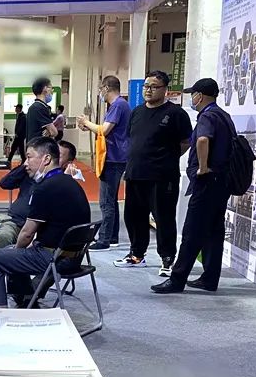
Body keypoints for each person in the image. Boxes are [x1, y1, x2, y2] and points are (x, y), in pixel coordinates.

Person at [0, 138, 91, 308]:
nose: (25, 163)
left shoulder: (45, 188)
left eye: (29, 157)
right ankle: (27, 300)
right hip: (74, 257)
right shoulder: (71, 183)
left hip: (54, 258)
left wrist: (16, 251)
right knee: (14, 252)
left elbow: (27, 234)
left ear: (46, 159)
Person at [153, 79, 234, 294]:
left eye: (193, 94)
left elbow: (202, 140)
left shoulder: (207, 116)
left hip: (207, 182)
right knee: (214, 232)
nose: (192, 98)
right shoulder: (224, 116)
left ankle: (177, 279)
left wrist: (203, 167)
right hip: (222, 182)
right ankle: (210, 278)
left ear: (200, 96)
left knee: (192, 232)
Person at [115, 70, 191, 276]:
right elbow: (133, 140)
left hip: (162, 176)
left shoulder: (175, 114)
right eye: (146, 86)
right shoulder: (137, 112)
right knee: (134, 217)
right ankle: (136, 254)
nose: (148, 90)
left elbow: (186, 142)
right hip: (135, 174)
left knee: (163, 218)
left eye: (154, 87)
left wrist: (167, 158)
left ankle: (167, 259)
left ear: (165, 89)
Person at [79, 75, 131, 250]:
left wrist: (86, 122)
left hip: (113, 158)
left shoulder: (118, 105)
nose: (100, 92)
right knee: (111, 200)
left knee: (106, 201)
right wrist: (88, 126)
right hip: (115, 156)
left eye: (101, 89)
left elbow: (105, 130)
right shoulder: (119, 106)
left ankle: (104, 239)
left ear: (107, 88)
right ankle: (112, 236)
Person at [25, 77, 55, 144]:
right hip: (38, 147)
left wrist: (48, 131)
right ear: (45, 88)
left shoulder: (36, 106)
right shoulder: (39, 107)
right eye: (51, 88)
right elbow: (54, 132)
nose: (52, 91)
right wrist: (49, 131)